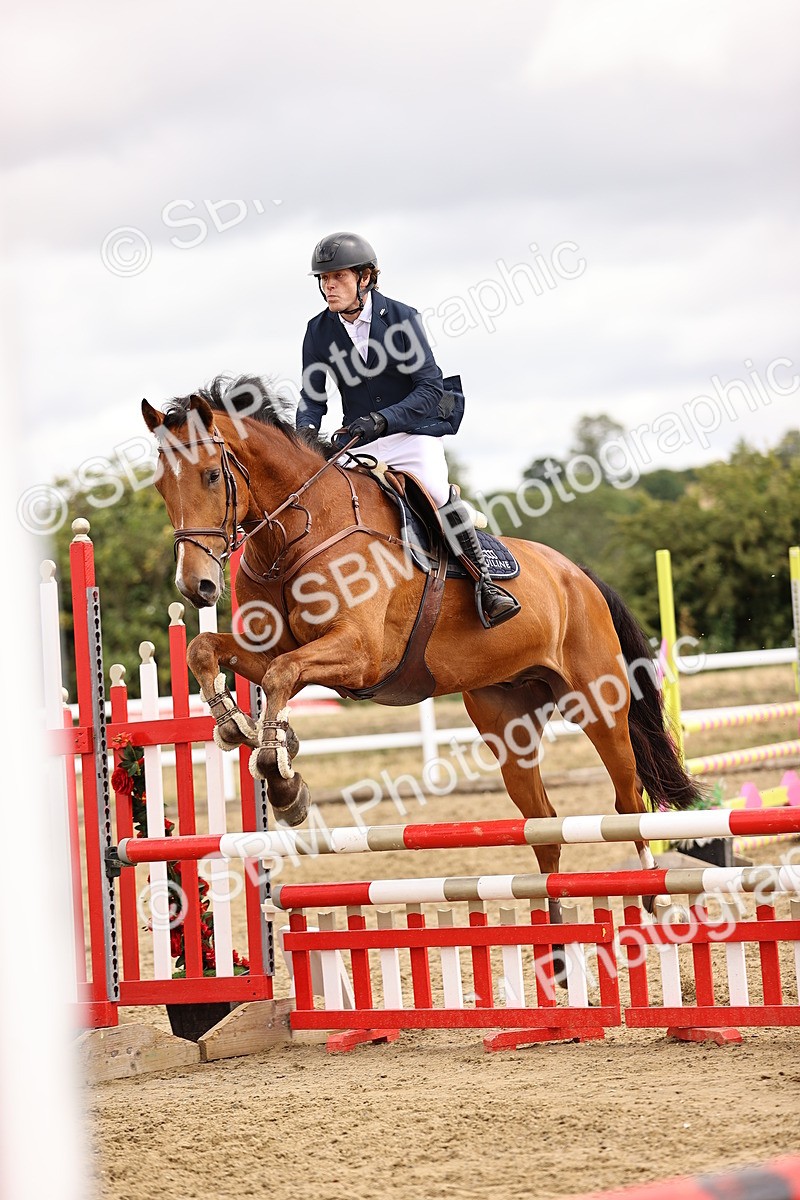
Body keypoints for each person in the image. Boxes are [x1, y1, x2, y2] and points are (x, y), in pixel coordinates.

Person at [295, 231, 520, 629]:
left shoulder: (400, 318)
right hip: (359, 441)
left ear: (365, 278)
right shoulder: (318, 331)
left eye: (339, 277)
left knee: (434, 493)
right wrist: (305, 438)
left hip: (411, 436)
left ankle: (486, 585)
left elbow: (430, 389)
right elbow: (313, 398)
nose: (329, 286)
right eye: (323, 279)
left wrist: (382, 421)